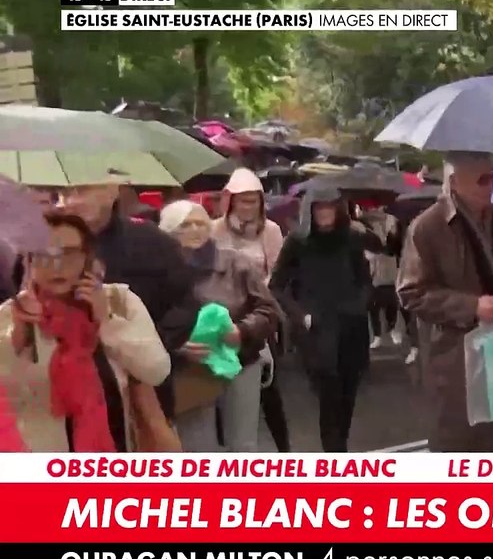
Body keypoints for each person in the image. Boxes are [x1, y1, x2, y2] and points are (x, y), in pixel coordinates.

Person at [397, 152, 493, 452]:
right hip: (459, 356)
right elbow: (411, 292)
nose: (491, 186)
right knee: (470, 445)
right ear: (454, 182)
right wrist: (471, 306)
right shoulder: (428, 227)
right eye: (482, 179)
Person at [0, 213, 170, 451]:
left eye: (69, 254)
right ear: (29, 261)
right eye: (44, 254)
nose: (57, 266)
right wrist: (17, 338)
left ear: (87, 257)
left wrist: (106, 321)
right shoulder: (13, 314)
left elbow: (156, 371)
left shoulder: (119, 301)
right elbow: (12, 401)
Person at [43, 181, 198, 419]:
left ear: (112, 191)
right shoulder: (42, 246)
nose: (73, 200)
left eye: (83, 190)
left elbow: (185, 303)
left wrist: (146, 344)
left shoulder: (150, 241)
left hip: (142, 391)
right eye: (64, 192)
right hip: (67, 393)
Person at [159, 201, 282, 452]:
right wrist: (176, 345)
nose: (195, 229)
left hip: (240, 360)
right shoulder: (161, 270)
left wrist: (242, 330)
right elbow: (152, 318)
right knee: (198, 447)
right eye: (185, 224)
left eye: (200, 223)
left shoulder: (237, 262)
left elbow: (269, 310)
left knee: (243, 446)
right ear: (169, 230)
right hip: (190, 368)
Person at [271, 186, 372, 452]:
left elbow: (364, 278)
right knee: (328, 396)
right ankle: (334, 454)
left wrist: (360, 304)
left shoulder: (351, 238)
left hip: (351, 325)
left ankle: (341, 447)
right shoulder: (297, 241)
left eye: (330, 207)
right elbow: (276, 285)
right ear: (310, 211)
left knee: (348, 393)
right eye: (319, 208)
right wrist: (301, 315)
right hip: (317, 329)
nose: (325, 213)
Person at [210, 167, 289, 451]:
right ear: (230, 200)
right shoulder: (214, 230)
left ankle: (284, 450)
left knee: (269, 391)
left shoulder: (271, 231)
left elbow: (279, 271)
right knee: (219, 389)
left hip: (260, 313)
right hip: (223, 315)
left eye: (253, 201)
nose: (248, 207)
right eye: (242, 201)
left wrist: (261, 290)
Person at [362, 207, 403, 350]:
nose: (375, 210)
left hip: (390, 270)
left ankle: (392, 329)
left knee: (391, 304)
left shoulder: (392, 220)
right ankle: (377, 335)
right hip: (374, 274)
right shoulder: (366, 224)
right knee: (373, 306)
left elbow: (395, 244)